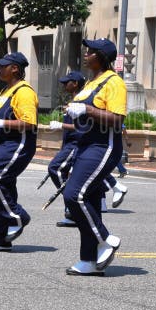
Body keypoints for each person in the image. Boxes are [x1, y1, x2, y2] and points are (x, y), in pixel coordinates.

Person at [61, 38, 125, 277]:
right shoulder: (92, 82)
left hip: (103, 145)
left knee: (73, 195)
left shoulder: (114, 82)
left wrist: (87, 109)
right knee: (90, 200)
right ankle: (88, 259)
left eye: (90, 52)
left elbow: (117, 119)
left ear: (101, 56)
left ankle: (105, 240)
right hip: (86, 144)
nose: (85, 55)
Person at [0, 52, 38, 252]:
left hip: (16, 145)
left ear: (15, 69)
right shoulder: (6, 90)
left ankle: (17, 217)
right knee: (5, 187)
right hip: (2, 145)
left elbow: (29, 123)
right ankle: (1, 239)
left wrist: (2, 123)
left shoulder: (24, 91)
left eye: (4, 65)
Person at [47, 71, 87, 227]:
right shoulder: (74, 100)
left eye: (67, 82)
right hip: (69, 143)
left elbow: (82, 127)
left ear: (75, 84)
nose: (64, 85)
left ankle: (73, 204)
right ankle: (72, 212)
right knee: (62, 172)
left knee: (55, 169)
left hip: (75, 143)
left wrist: (61, 125)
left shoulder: (81, 100)